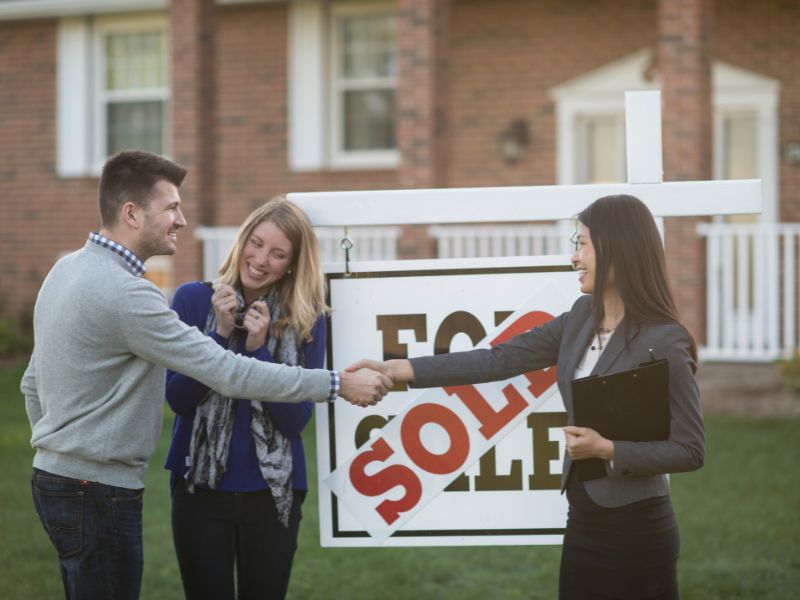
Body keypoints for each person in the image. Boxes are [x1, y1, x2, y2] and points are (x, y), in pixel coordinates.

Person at [20, 150, 390, 600]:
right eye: (172, 208)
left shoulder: (66, 269)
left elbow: (31, 382)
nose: (182, 219)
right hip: (107, 486)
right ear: (132, 213)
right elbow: (214, 379)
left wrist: (56, 451)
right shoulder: (137, 295)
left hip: (65, 480)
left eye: (278, 253)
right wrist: (336, 383)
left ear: (293, 262)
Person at [351, 194, 705, 600]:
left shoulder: (664, 340)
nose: (574, 257)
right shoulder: (579, 319)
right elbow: (497, 359)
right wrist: (398, 370)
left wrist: (608, 449)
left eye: (582, 244)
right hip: (584, 520)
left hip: (639, 530)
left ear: (617, 248)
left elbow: (690, 450)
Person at [164, 198, 327, 599]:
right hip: (198, 488)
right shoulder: (192, 300)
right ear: (242, 241)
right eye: (256, 243)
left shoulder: (306, 317)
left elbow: (294, 422)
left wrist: (258, 350)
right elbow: (178, 400)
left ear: (292, 264)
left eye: (278, 254)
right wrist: (219, 337)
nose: (260, 260)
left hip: (273, 491)